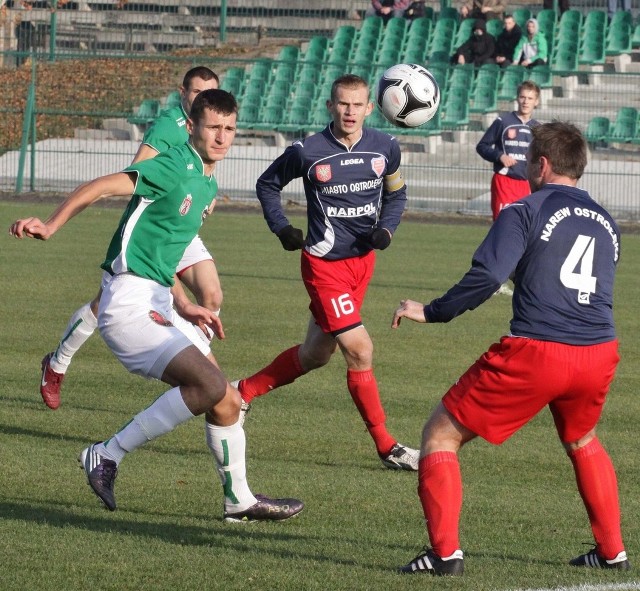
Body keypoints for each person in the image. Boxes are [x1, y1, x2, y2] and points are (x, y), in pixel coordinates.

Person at [10, 89, 304, 522]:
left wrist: (183, 303)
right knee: (207, 386)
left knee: (226, 400)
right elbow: (101, 186)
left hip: (157, 298)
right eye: (213, 128)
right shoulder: (172, 165)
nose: (222, 137)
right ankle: (105, 454)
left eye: (229, 129)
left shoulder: (207, 184)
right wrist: (51, 225)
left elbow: (164, 251)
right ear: (193, 128)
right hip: (127, 303)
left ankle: (238, 499)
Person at [393, 121, 630, 576]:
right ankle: (611, 551)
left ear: (541, 164)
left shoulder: (524, 209)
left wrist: (434, 311)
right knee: (583, 439)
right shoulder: (607, 222)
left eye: (527, 162)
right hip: (599, 351)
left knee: (440, 436)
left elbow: (486, 277)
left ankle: (444, 556)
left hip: (540, 349)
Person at [233, 74, 419, 472]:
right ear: (330, 106)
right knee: (360, 349)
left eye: (358, 105)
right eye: (342, 104)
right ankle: (387, 446)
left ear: (371, 108)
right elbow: (267, 185)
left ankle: (242, 392)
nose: (350, 112)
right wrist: (281, 228)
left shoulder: (386, 147)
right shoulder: (307, 151)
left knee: (316, 354)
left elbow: (397, 192)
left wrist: (387, 228)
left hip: (362, 265)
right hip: (324, 266)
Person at [40, 66, 223, 411]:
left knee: (212, 294)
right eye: (197, 92)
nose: (204, 99)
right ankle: (57, 363)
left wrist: (203, 196)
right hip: (156, 223)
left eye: (210, 92)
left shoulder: (214, 125)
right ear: (183, 93)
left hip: (181, 227)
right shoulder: (171, 125)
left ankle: (191, 359)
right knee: (104, 303)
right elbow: (137, 170)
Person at [476, 80, 540, 221]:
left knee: (524, 227)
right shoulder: (503, 121)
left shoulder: (538, 128)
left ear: (536, 102)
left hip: (527, 185)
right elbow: (482, 146)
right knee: (503, 224)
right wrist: (499, 156)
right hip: (505, 181)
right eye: (522, 97)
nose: (525, 102)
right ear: (517, 98)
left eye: (530, 98)